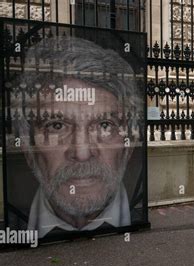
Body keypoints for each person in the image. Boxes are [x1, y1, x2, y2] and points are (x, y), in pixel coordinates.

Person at [10, 35, 142, 238]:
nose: (81, 152)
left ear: (129, 145)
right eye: (56, 126)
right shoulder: (13, 223)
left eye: (105, 125)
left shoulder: (139, 214)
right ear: (28, 147)